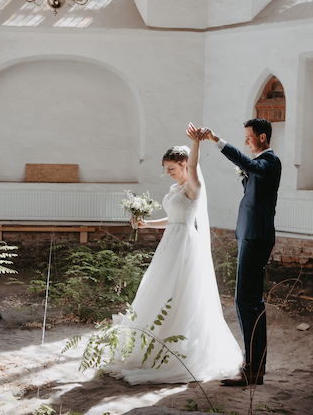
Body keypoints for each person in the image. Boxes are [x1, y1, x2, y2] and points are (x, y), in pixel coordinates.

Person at [106, 123, 242, 384]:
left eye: (172, 168)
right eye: (165, 168)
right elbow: (173, 219)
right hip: (170, 243)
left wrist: (196, 144)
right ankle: (152, 345)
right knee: (159, 290)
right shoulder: (174, 190)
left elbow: (193, 169)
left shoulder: (193, 186)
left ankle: (178, 348)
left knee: (180, 293)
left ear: (184, 166)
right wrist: (147, 223)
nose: (167, 172)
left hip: (186, 246)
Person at [197, 118, 282, 387]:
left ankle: (254, 369)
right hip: (250, 235)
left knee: (248, 302)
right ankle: (252, 365)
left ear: (263, 138)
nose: (246, 141)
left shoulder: (270, 162)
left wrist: (216, 140)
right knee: (244, 301)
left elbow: (249, 165)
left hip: (257, 237)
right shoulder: (259, 167)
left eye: (249, 137)